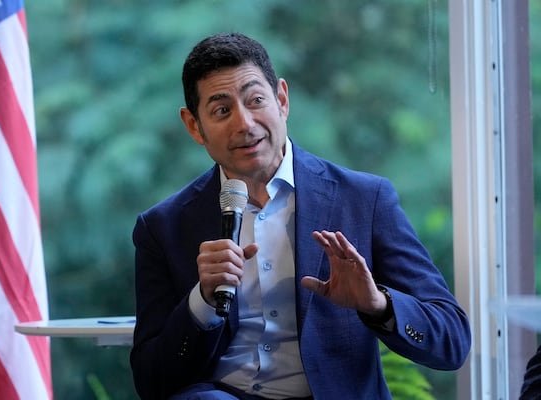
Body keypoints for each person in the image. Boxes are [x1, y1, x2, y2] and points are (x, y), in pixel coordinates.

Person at [129, 32, 471, 400]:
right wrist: (202, 302)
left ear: (282, 99)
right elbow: (152, 382)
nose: (244, 123)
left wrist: (377, 304)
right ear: (194, 125)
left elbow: (451, 340)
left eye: (256, 100)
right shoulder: (162, 227)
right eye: (222, 110)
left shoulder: (364, 199)